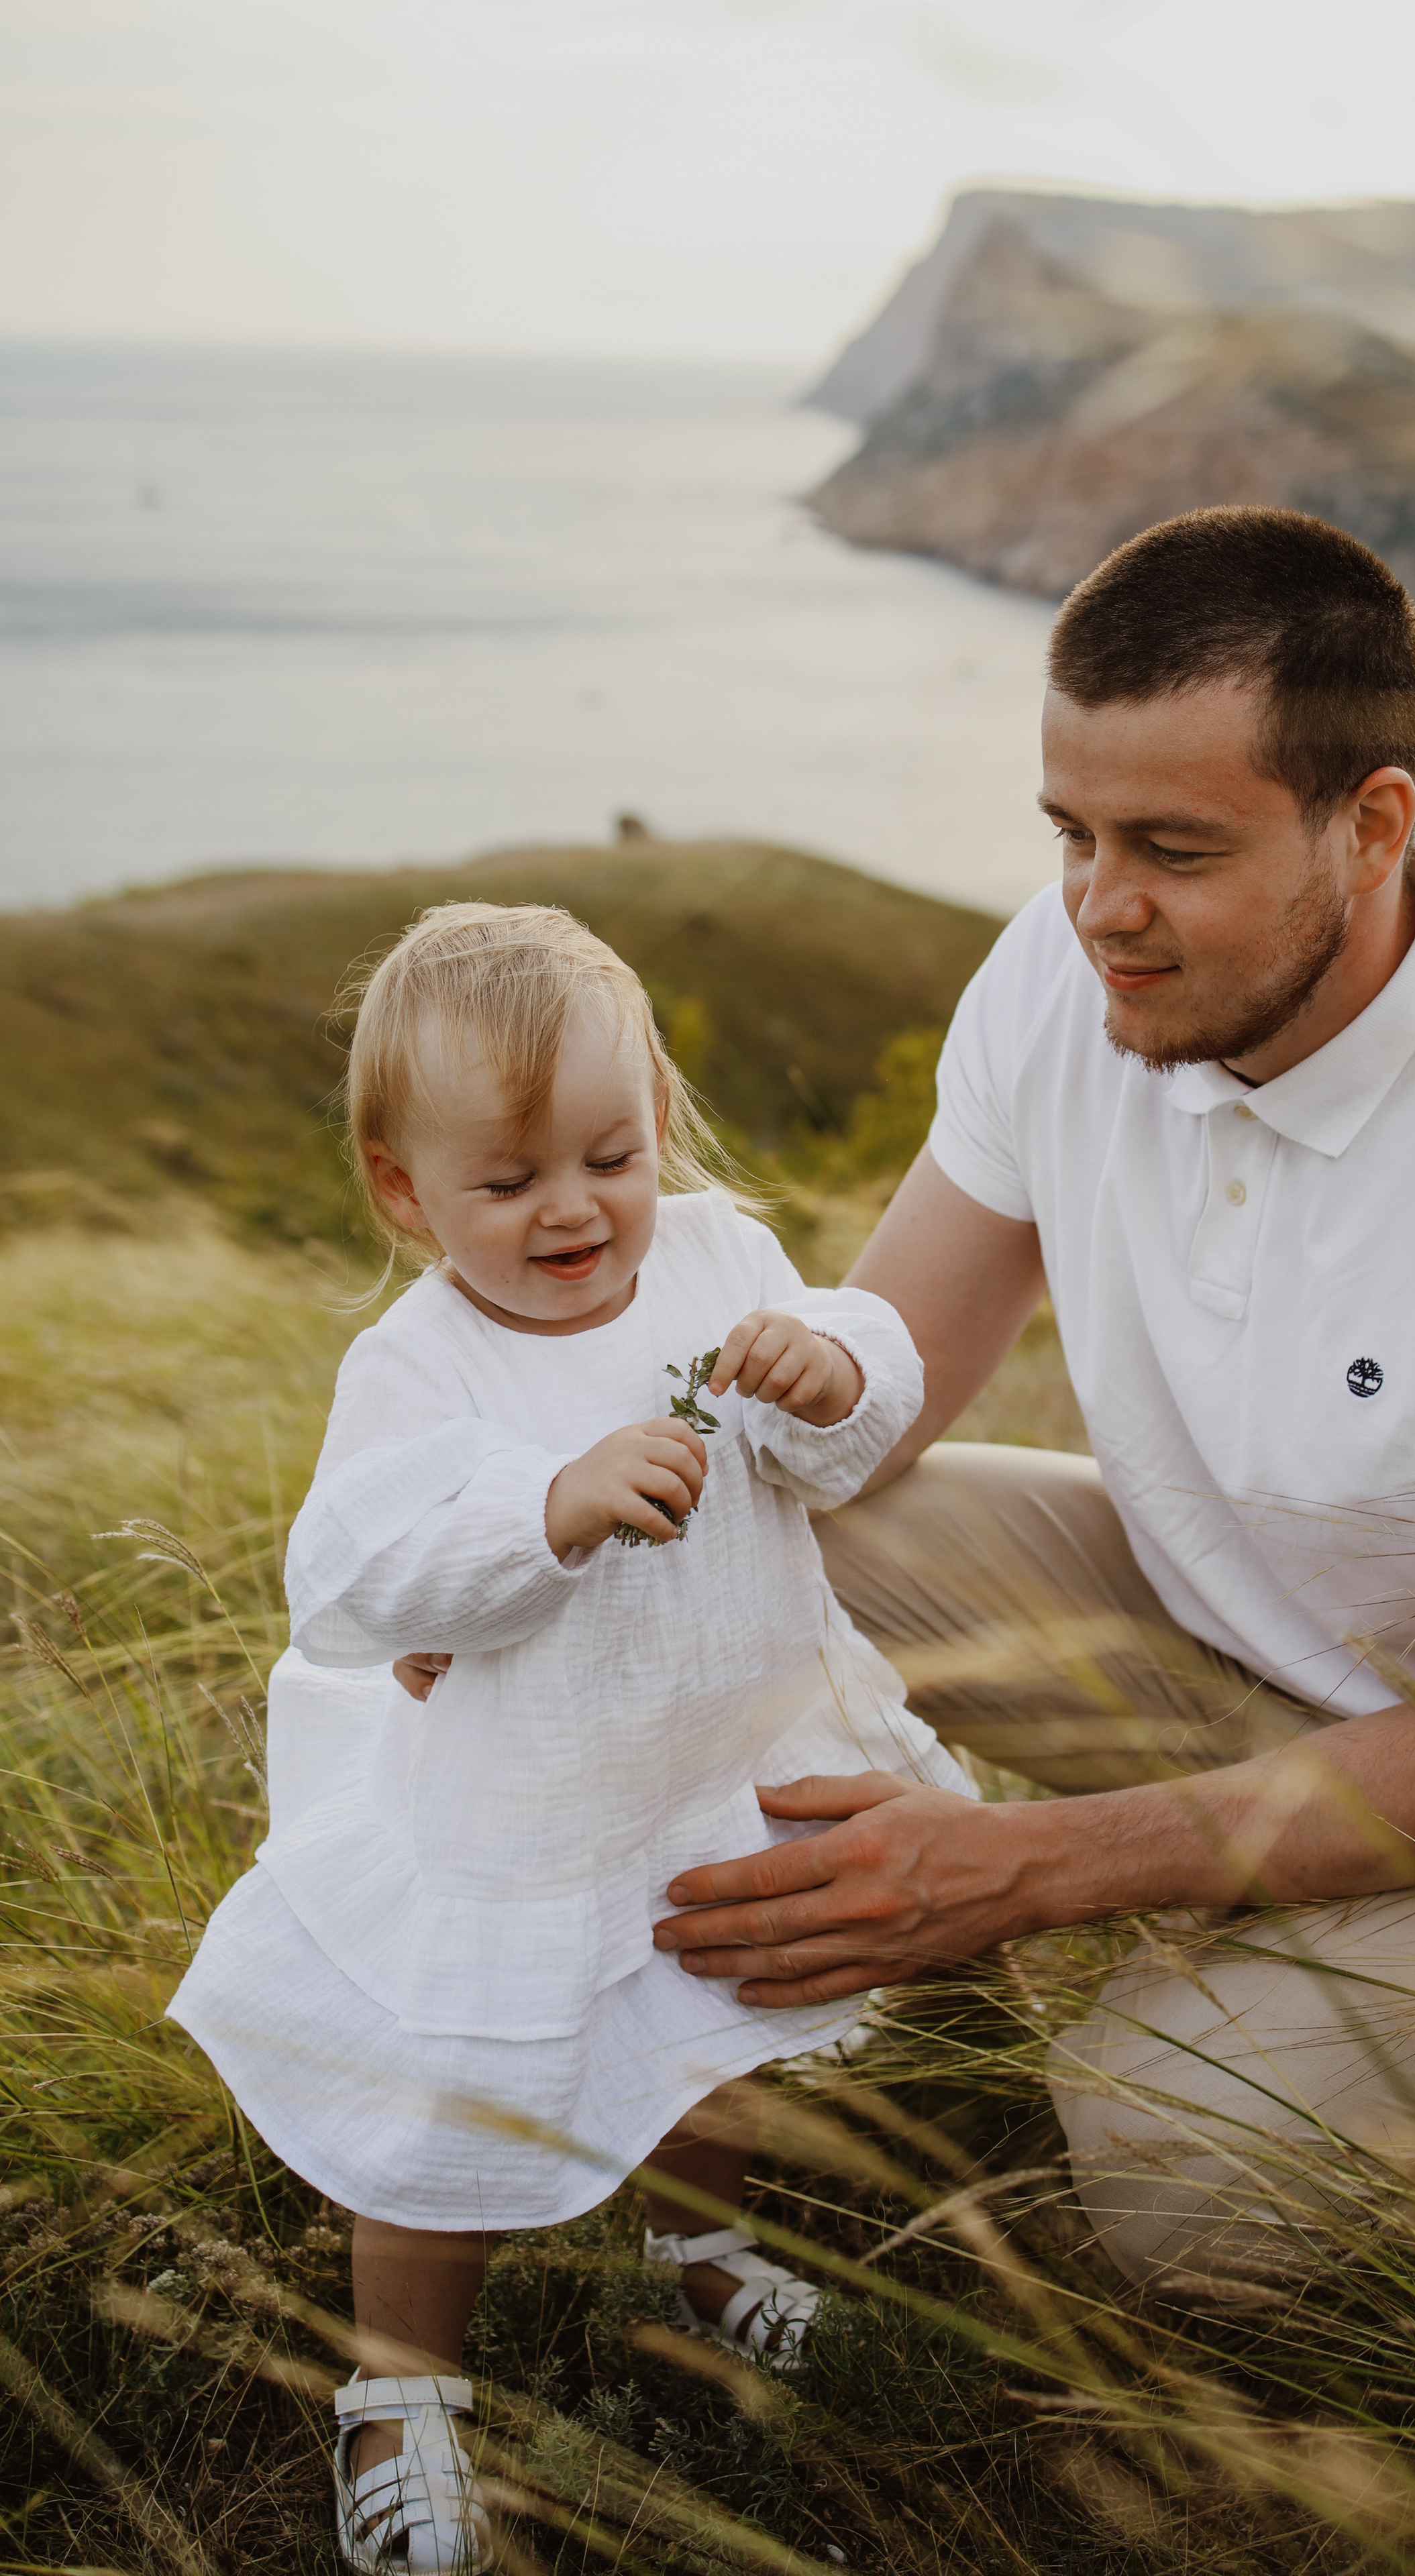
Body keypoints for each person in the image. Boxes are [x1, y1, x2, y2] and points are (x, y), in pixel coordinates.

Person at [648, 505, 1415, 2294]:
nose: (1097, 908)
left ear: (1372, 825)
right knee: (762, 1532)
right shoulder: (1067, 973)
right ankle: (1217, 1967)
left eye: (1171, 847)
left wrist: (1031, 1869)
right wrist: (540, 1540)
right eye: (1068, 833)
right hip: (1232, 1626)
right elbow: (874, 1389)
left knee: (1170, 2179)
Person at [168, 902, 969, 2573]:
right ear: (406, 1191)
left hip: (709, 1759)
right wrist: (545, 1506)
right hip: (524, 1814)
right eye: (509, 1179)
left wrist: (828, 1380)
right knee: (454, 2114)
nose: (572, 1209)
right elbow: (350, 1579)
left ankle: (704, 2254)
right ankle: (401, 2392)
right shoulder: (420, 1364)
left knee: (707, 2033)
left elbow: (834, 1452)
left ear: (656, 1125)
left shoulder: (721, 1258)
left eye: (610, 1155)